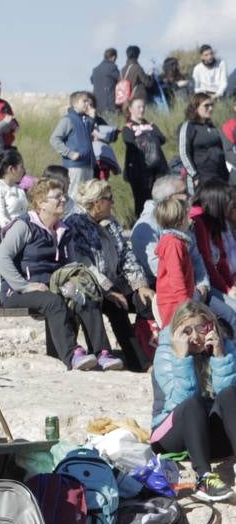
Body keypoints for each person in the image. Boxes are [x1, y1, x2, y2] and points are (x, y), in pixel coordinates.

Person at [0, 178, 117, 369]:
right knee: (52, 301)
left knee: (85, 292)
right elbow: (1, 257)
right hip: (17, 292)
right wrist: (24, 286)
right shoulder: (24, 226)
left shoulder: (63, 230)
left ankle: (101, 352)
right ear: (41, 203)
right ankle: (71, 355)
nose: (63, 199)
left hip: (51, 287)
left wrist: (87, 286)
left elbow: (73, 264)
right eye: (57, 196)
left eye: (63, 195)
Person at [150, 300, 236, 502]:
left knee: (229, 392)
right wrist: (182, 360)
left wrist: (220, 357)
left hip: (209, 436)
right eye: (187, 331)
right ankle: (204, 478)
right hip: (172, 434)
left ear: (211, 326)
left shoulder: (225, 345)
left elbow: (229, 401)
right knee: (193, 403)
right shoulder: (165, 352)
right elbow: (179, 402)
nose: (196, 337)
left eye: (202, 328)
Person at [66, 180, 154, 371]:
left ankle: (153, 350)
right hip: (90, 287)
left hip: (115, 282)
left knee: (147, 300)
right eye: (109, 199)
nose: (112, 202)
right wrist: (109, 291)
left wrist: (140, 284)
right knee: (117, 308)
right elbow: (83, 265)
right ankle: (141, 363)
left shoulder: (110, 222)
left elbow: (126, 255)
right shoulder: (75, 224)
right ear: (96, 202)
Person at [119, 97, 169, 218]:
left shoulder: (150, 124)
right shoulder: (128, 127)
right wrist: (143, 135)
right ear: (130, 109)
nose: (142, 110)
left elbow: (162, 139)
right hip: (139, 171)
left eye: (143, 107)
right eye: (138, 107)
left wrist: (147, 130)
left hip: (157, 169)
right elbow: (130, 142)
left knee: (160, 199)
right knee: (142, 201)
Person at [155, 194, 199, 327]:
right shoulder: (173, 243)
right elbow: (176, 275)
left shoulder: (175, 241)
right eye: (187, 216)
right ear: (180, 221)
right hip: (174, 302)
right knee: (175, 334)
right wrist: (184, 303)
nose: (190, 219)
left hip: (177, 300)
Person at [178, 93, 236, 190]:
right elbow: (184, 153)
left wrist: (227, 175)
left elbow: (221, 151)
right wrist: (194, 176)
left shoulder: (212, 127)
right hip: (202, 179)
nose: (210, 108)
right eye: (206, 105)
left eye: (212, 105)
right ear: (196, 107)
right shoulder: (188, 126)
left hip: (220, 177)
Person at [92, 48, 121, 115]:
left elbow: (92, 80)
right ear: (113, 57)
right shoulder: (112, 67)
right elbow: (120, 79)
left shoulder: (96, 69)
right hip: (109, 103)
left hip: (97, 103)